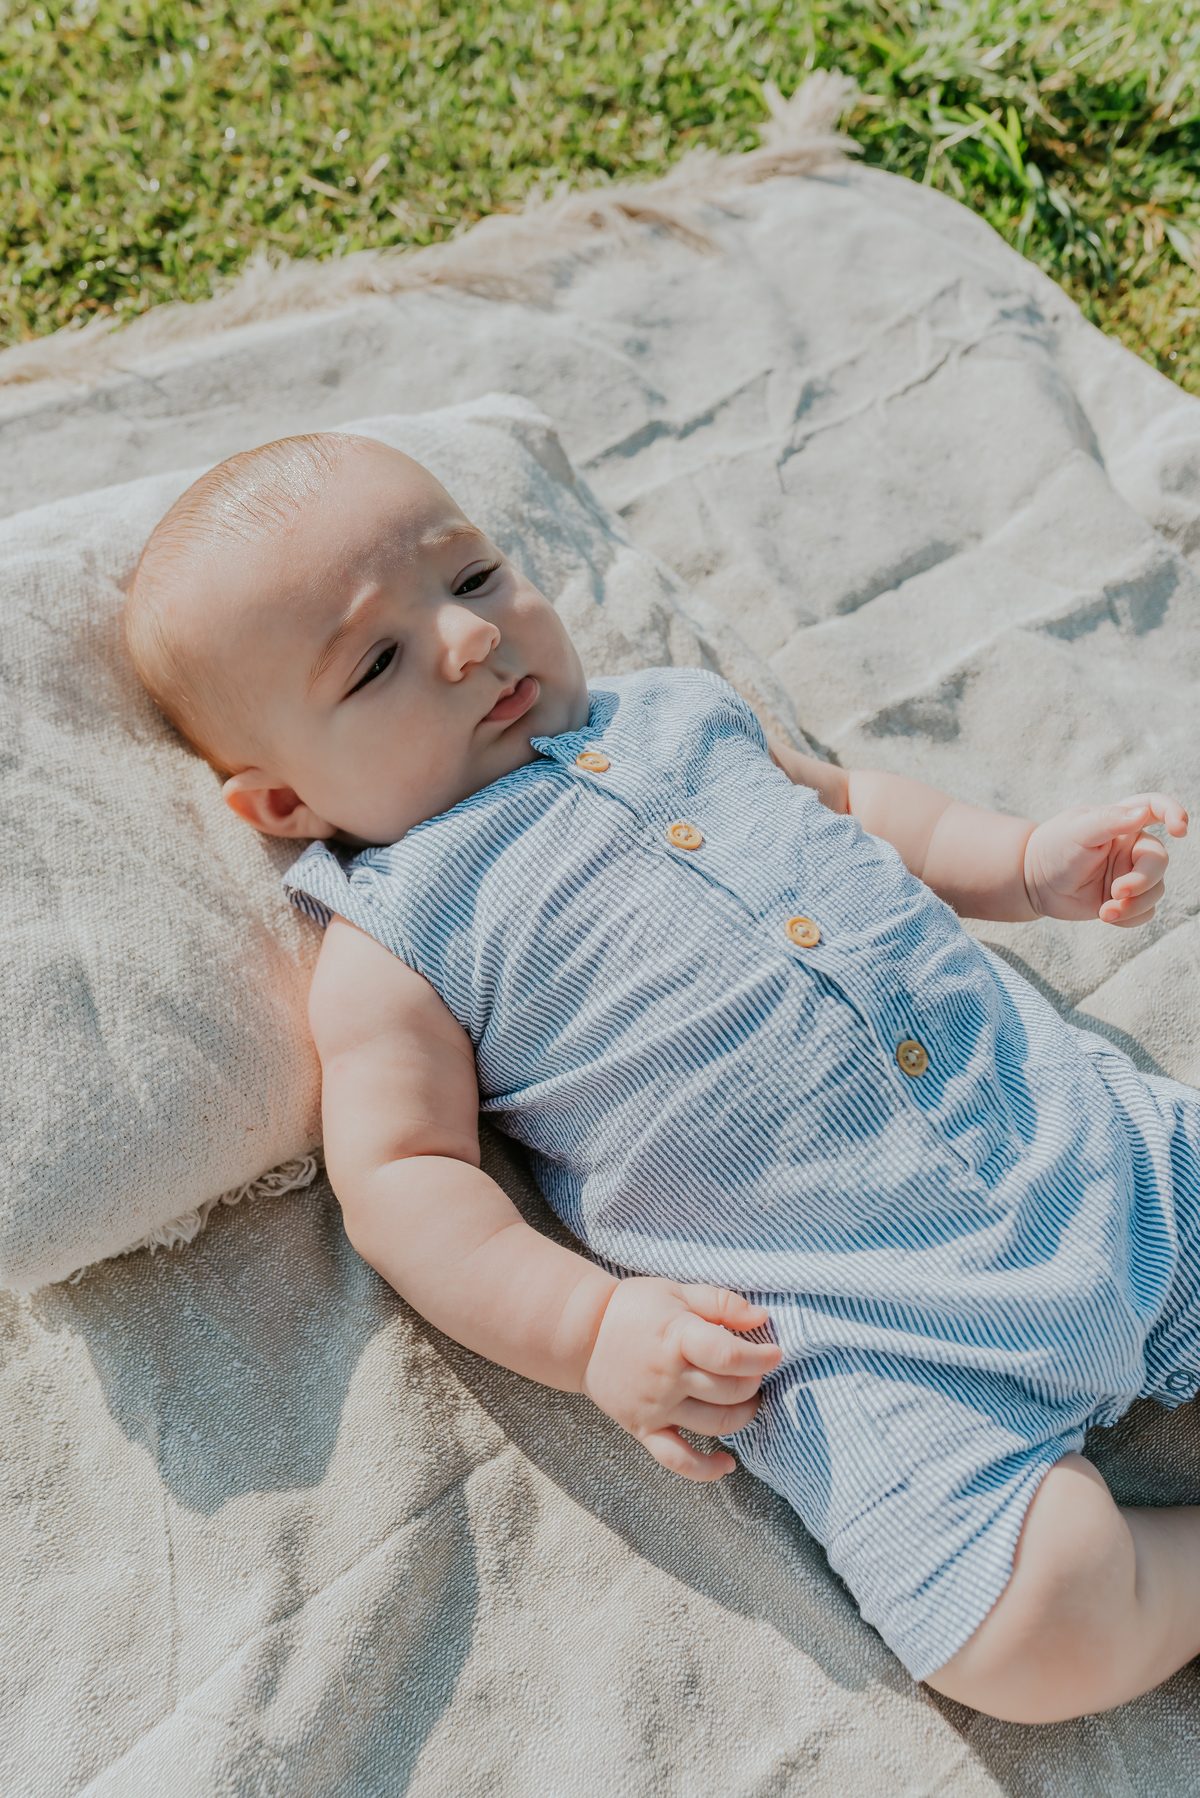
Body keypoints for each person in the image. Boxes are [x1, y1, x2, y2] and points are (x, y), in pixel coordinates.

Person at [125, 430, 1200, 1724]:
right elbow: (405, 1177)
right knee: (1027, 1627)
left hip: (1091, 1147)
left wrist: (1024, 862)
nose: (471, 643)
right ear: (284, 801)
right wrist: (591, 1330)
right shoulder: (397, 935)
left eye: (472, 578)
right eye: (375, 661)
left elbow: (855, 804)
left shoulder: (677, 713)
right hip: (870, 1323)